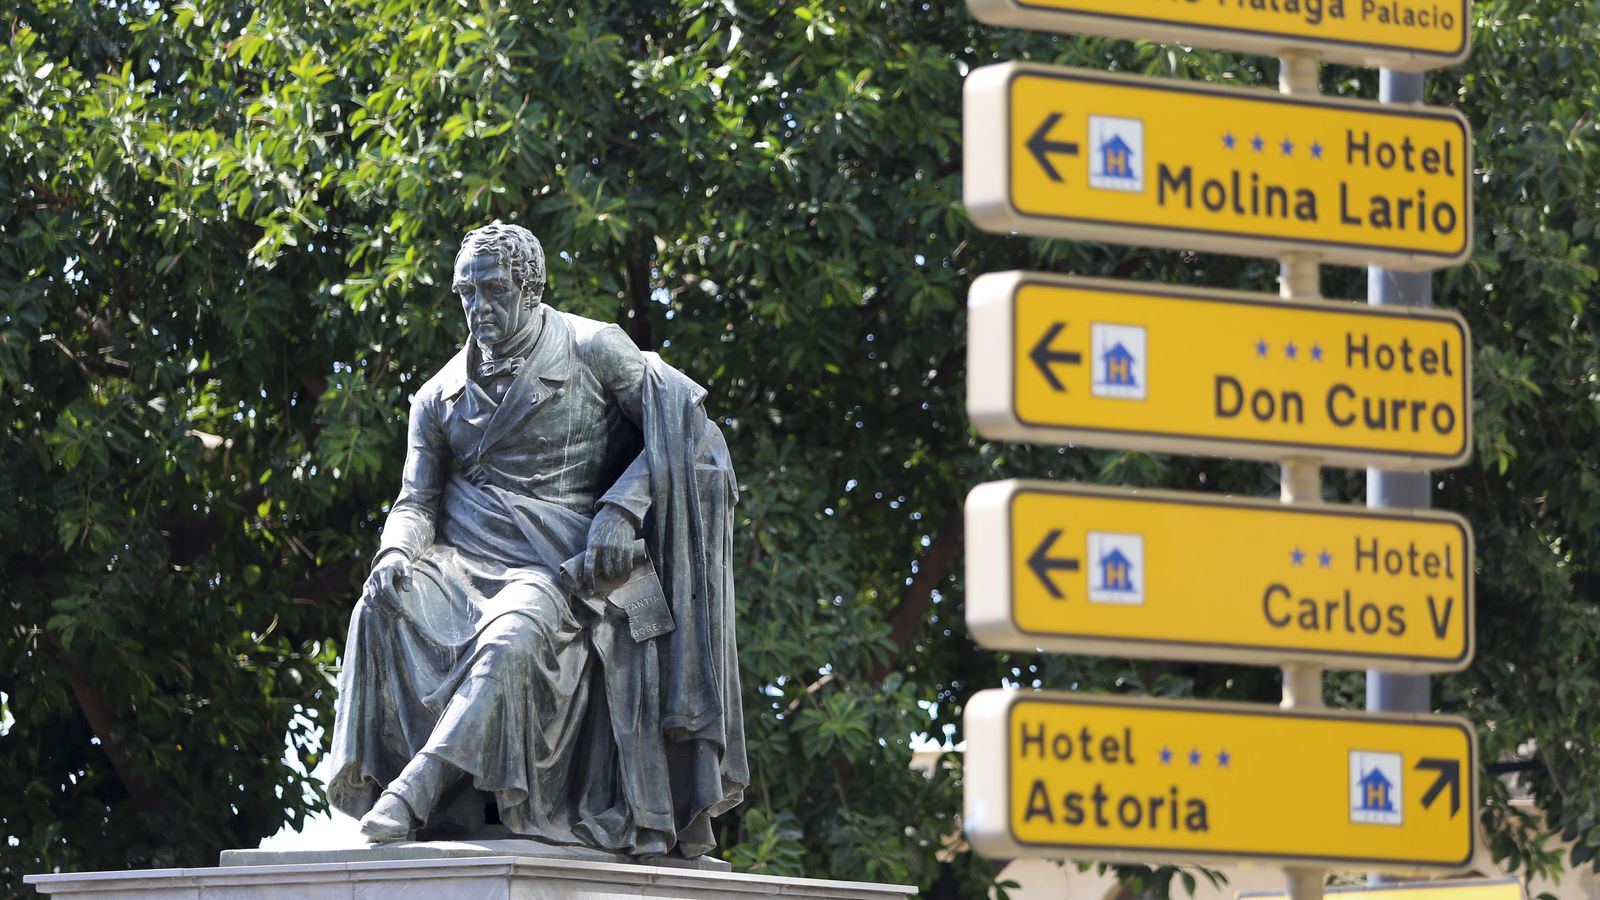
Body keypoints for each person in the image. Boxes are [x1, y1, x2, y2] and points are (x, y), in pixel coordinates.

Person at [326, 222, 746, 860]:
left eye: (493, 289)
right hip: (465, 562)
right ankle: (403, 792)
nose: (477, 307)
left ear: (531, 289)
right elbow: (415, 501)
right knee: (378, 607)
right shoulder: (437, 396)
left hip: (560, 561)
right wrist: (393, 553)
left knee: (513, 634)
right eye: (466, 292)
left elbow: (686, 428)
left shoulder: (591, 347)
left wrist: (622, 508)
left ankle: (416, 790)